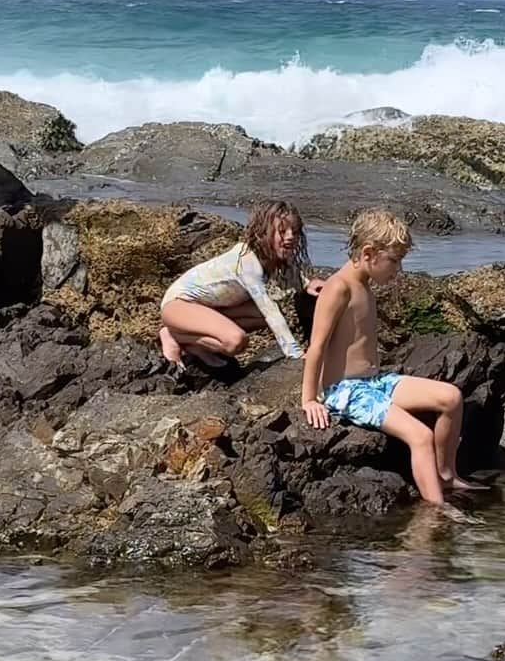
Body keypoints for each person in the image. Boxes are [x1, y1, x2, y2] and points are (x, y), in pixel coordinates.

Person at [301, 208, 485, 505]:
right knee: (420, 436)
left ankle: (446, 476)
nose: (397, 270)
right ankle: (437, 510)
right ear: (369, 252)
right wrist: (309, 399)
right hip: (346, 391)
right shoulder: (338, 288)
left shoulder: (363, 285)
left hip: (374, 382)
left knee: (451, 397)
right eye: (394, 261)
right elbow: (317, 347)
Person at [160, 199, 323, 368]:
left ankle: (196, 339)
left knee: (260, 317)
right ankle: (173, 335)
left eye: (295, 232)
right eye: (282, 231)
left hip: (210, 307)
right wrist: (295, 354)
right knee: (235, 341)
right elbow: (270, 311)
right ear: (262, 234)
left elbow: (293, 277)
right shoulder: (247, 262)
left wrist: (307, 284)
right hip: (179, 304)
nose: (290, 237)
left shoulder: (274, 258)